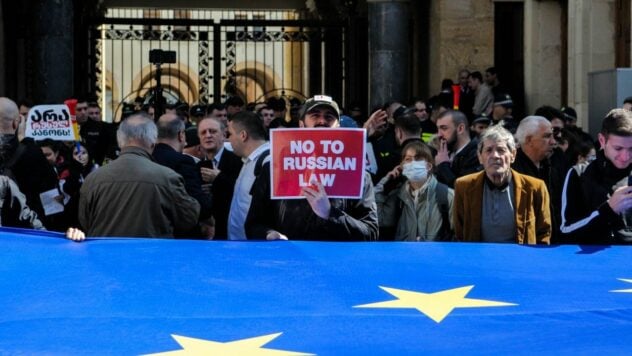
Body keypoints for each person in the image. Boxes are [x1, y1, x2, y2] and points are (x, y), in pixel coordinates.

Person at [246, 95, 379, 241]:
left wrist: (330, 214)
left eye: (329, 117)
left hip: (336, 261)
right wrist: (269, 234)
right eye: (315, 115)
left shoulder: (358, 174)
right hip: (288, 258)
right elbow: (253, 224)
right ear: (301, 125)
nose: (322, 121)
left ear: (338, 127)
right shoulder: (274, 169)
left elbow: (370, 232)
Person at [78, 113, 200, 237]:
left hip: (105, 253)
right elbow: (189, 218)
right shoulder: (167, 178)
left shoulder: (93, 179)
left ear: (120, 142)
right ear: (153, 142)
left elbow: (85, 221)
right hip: (151, 254)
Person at [453, 125, 551, 244]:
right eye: (489, 150)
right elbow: (459, 233)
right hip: (478, 259)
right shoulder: (464, 186)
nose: (495, 156)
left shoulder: (535, 188)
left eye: (501, 150)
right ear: (480, 157)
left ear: (513, 155)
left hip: (519, 260)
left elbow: (544, 233)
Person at [561, 108, 632, 244]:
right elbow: (566, 232)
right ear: (602, 140)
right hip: (593, 261)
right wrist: (608, 210)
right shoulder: (579, 174)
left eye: (631, 149)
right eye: (618, 148)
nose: (625, 156)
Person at [375, 141, 454, 241]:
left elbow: (458, 235)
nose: (412, 163)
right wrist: (383, 184)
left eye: (418, 159)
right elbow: (380, 220)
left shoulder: (448, 196)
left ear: (429, 166)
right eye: (408, 159)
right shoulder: (397, 196)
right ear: (402, 167)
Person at [153, 113, 212, 234]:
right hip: (179, 235)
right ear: (181, 135)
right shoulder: (183, 162)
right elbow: (200, 205)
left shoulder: (147, 158)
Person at [512, 116, 564, 243]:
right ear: (529, 140)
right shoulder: (511, 171)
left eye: (552, 136)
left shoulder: (553, 165)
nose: (553, 142)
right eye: (546, 136)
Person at [226, 111, 270, 240]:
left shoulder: (268, 162)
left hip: (254, 249)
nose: (228, 139)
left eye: (230, 134)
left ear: (243, 135)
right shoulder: (249, 160)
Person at [197, 116, 243, 239]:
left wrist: (219, 179)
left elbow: (242, 191)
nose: (208, 135)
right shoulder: (197, 166)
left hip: (232, 231)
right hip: (207, 234)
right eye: (203, 132)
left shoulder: (238, 161)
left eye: (212, 131)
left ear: (223, 135)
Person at [434, 110, 481, 188]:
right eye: (438, 129)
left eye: (444, 128)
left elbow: (464, 189)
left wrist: (443, 166)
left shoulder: (477, 154)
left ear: (460, 128)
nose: (439, 134)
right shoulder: (446, 152)